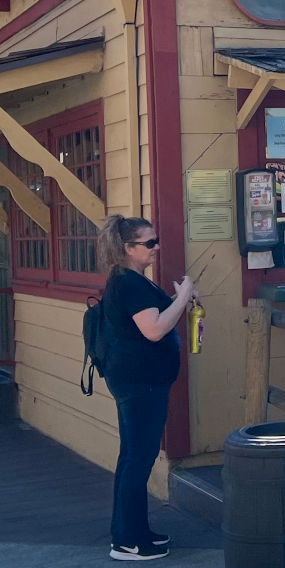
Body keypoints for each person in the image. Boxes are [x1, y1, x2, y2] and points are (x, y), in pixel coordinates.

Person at [98, 215, 196, 561]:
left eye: (156, 241)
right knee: (137, 459)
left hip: (144, 381)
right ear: (128, 248)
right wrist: (182, 297)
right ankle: (125, 540)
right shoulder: (129, 284)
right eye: (149, 243)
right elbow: (153, 329)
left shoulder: (133, 281)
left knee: (136, 457)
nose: (156, 248)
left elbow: (152, 320)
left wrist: (176, 298)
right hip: (139, 384)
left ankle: (136, 531)